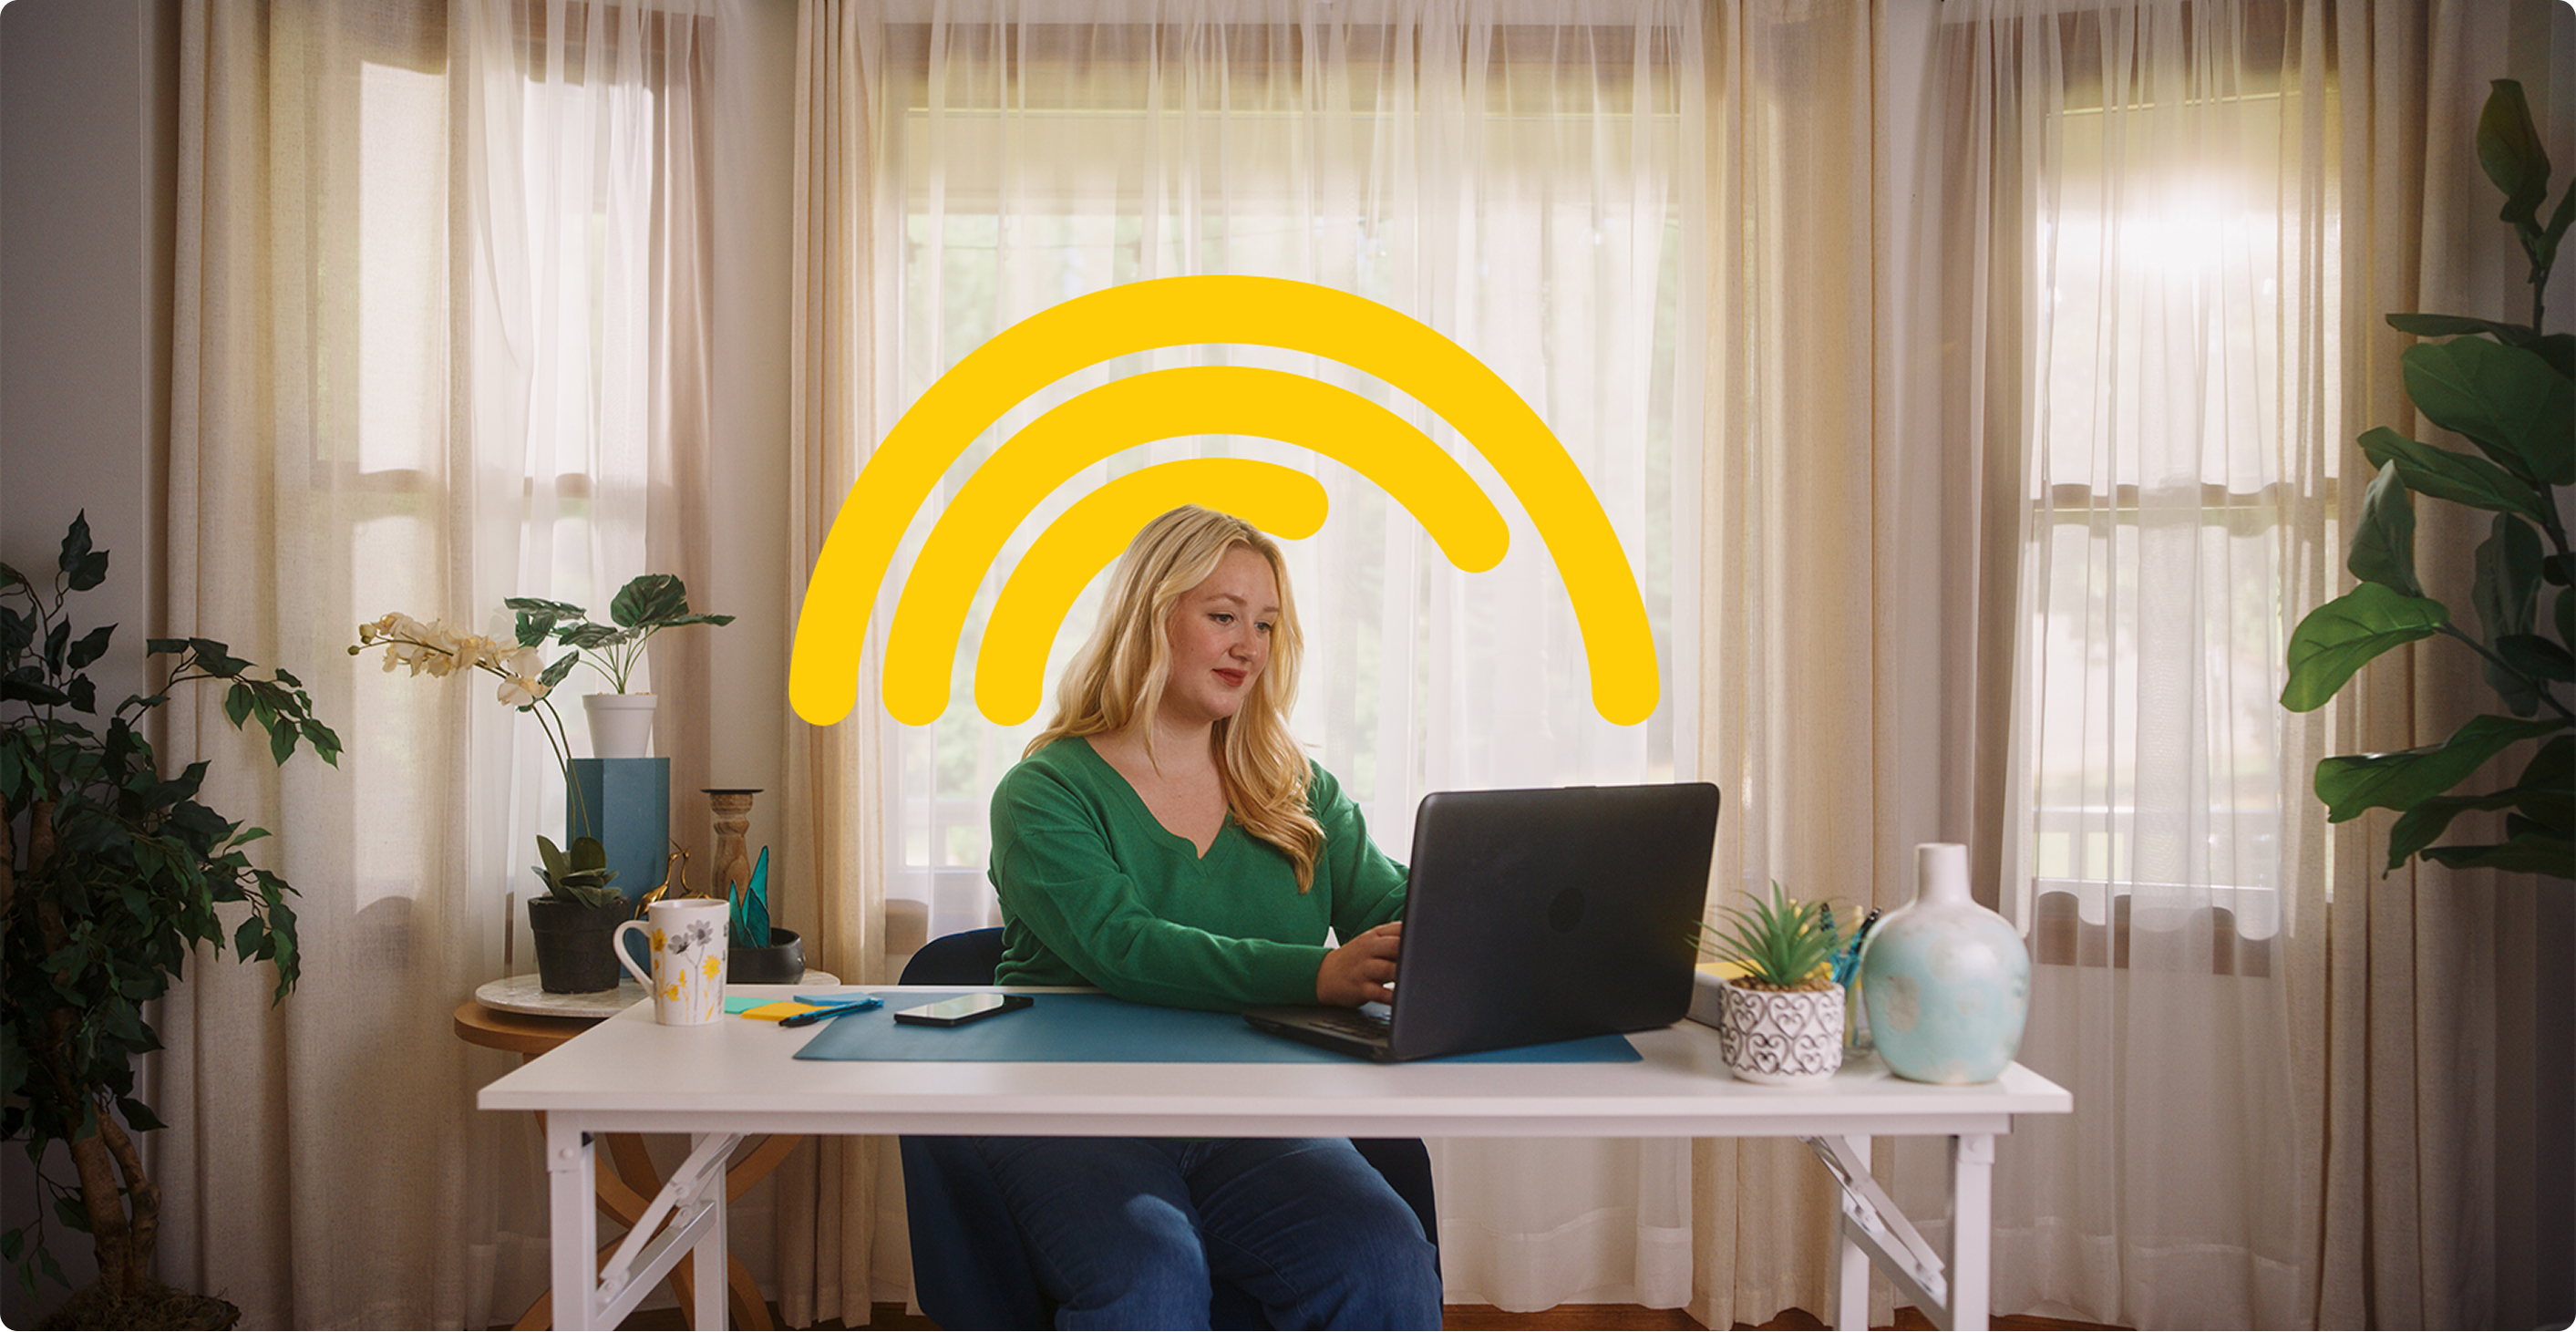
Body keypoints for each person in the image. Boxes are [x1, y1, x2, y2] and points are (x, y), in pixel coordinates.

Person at [975, 505, 1443, 1330]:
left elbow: (1399, 909)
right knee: (1154, 1276)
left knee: (1383, 1253)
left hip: (1250, 1115)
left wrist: (1508, 918)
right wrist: (1317, 973)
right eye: (1223, 616)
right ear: (1150, 617)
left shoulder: (1298, 791)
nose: (1249, 645)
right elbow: (1122, 947)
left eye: (1264, 624)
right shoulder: (1045, 792)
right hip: (1077, 1115)